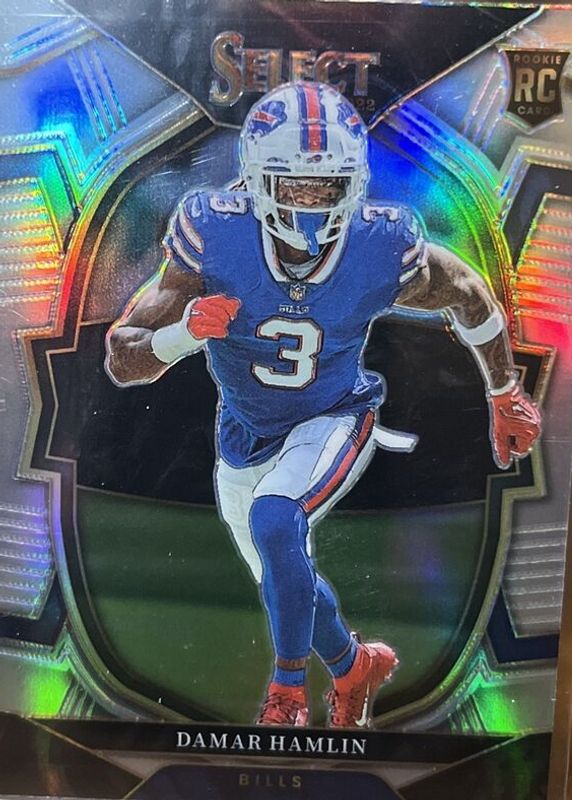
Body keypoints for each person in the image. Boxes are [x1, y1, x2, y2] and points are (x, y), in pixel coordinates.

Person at [105, 81, 541, 729]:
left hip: (335, 414)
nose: (311, 204)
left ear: (355, 184)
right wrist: (183, 333)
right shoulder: (216, 234)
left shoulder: (379, 246)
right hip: (243, 431)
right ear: (256, 181)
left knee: (276, 520)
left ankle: (286, 696)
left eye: (327, 187)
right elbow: (124, 356)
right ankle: (353, 665)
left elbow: (468, 293)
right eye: (296, 186)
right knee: (286, 580)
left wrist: (504, 392)